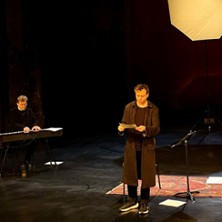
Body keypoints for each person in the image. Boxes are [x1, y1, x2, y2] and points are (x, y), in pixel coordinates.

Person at [118, 83, 160, 215]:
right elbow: (124, 123)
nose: (140, 98)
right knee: (131, 172)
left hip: (146, 146)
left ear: (147, 95)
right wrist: (121, 129)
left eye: (142, 96)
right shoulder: (129, 107)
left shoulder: (153, 109)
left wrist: (145, 129)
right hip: (131, 145)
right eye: (137, 95)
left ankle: (144, 202)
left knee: (146, 174)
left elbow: (157, 128)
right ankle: (132, 200)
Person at [8, 95, 41, 172]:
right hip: (16, 136)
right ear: (17, 104)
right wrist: (23, 127)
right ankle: (20, 162)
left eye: (25, 104)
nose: (23, 106)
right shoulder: (13, 112)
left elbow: (34, 120)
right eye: (21, 104)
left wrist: (35, 126)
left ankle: (27, 160)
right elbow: (13, 124)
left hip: (28, 134)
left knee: (35, 140)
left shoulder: (29, 110)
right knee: (18, 145)